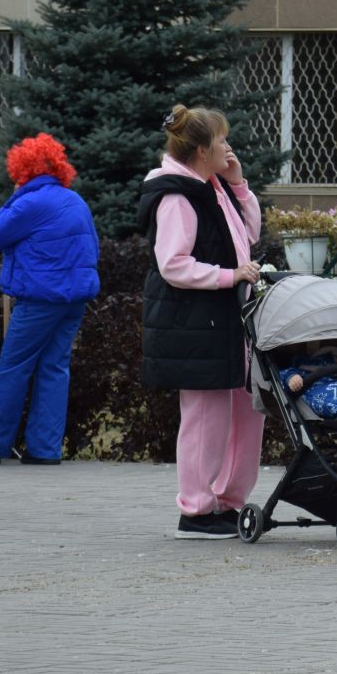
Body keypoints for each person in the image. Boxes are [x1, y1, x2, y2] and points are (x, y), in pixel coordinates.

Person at [137, 105, 264, 540]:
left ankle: (227, 502)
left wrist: (238, 184)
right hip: (196, 321)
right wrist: (229, 276)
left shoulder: (210, 185)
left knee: (246, 410)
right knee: (206, 418)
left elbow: (248, 236)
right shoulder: (176, 195)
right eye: (222, 141)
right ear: (199, 150)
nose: (229, 147)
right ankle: (196, 510)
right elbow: (173, 264)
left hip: (224, 318)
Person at [0, 134, 101, 466]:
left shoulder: (30, 201)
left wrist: (12, 198)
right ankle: (45, 449)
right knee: (54, 367)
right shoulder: (74, 200)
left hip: (41, 298)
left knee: (14, 367)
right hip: (74, 298)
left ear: (22, 170)